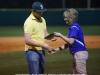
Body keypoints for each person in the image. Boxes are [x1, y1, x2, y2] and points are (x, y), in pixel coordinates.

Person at [49, 8, 88, 75]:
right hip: (77, 54)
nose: (64, 19)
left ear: (71, 17)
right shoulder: (73, 27)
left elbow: (71, 41)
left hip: (79, 53)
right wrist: (56, 50)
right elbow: (68, 44)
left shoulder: (74, 27)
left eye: (66, 17)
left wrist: (60, 35)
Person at [23, 1, 55, 74]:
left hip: (41, 51)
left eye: (42, 11)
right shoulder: (29, 22)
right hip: (32, 52)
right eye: (38, 12)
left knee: (41, 73)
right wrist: (43, 45)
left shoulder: (42, 19)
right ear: (32, 10)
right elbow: (27, 40)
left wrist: (51, 37)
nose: (41, 13)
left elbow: (45, 33)